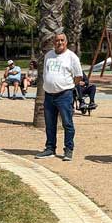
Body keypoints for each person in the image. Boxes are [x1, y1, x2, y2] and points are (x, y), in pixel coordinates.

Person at [35, 33, 83, 162]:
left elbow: (78, 75)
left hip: (64, 95)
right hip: (49, 96)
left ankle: (68, 149)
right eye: (57, 40)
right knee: (50, 124)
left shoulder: (72, 57)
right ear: (53, 42)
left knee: (67, 123)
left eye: (62, 40)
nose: (59, 42)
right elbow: (45, 73)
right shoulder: (48, 55)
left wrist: (70, 85)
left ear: (66, 42)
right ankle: (50, 148)